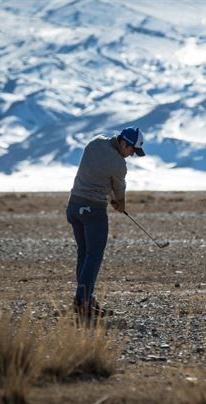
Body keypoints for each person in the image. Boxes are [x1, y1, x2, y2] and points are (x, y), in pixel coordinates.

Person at [66, 127, 145, 318]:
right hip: (93, 211)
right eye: (132, 150)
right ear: (123, 143)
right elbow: (119, 192)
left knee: (84, 255)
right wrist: (120, 204)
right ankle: (81, 302)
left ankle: (86, 301)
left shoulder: (95, 141)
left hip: (74, 207)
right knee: (93, 256)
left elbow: (97, 174)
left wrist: (111, 196)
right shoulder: (119, 164)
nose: (131, 155)